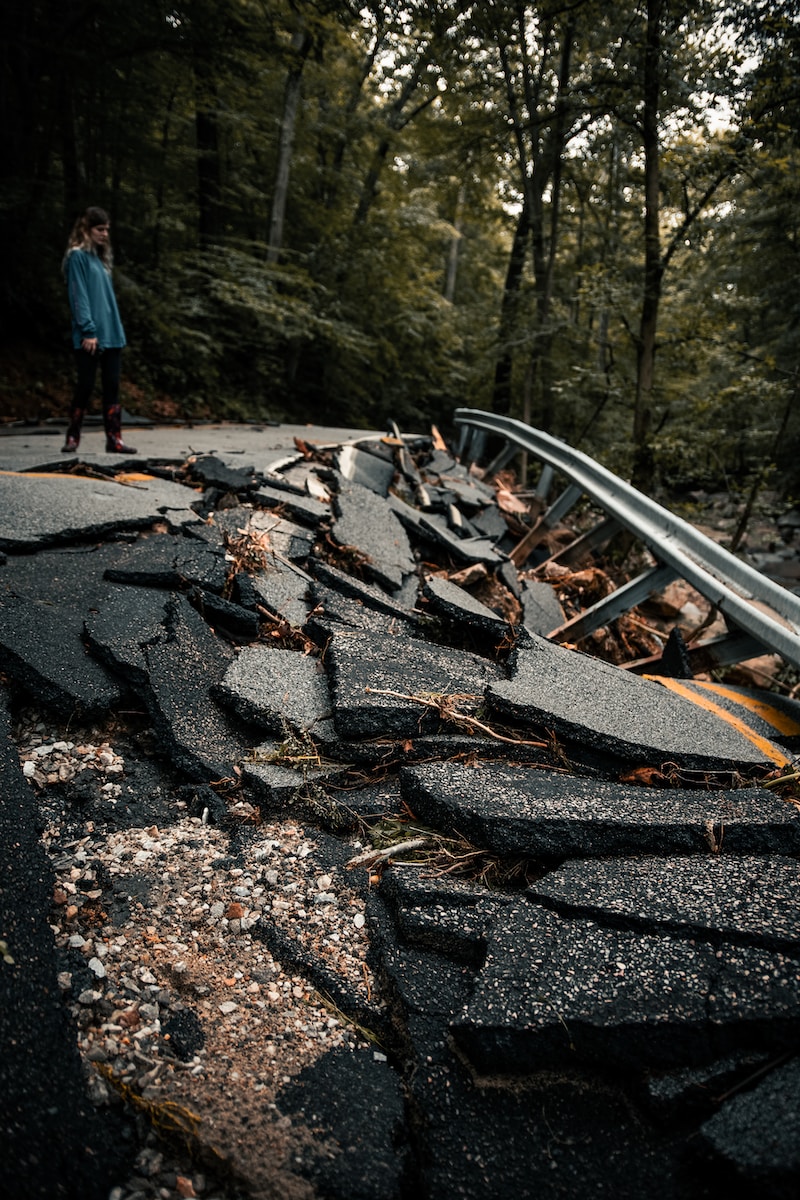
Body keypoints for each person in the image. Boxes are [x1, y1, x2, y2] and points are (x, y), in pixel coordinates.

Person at [62, 206, 136, 454]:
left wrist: (113, 331)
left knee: (112, 386)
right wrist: (88, 330)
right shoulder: (77, 257)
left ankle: (114, 439)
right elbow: (78, 296)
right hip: (90, 335)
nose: (105, 234)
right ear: (86, 229)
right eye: (99, 229)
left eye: (107, 229)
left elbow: (105, 300)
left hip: (112, 334)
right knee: (85, 385)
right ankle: (73, 436)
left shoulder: (100, 260)